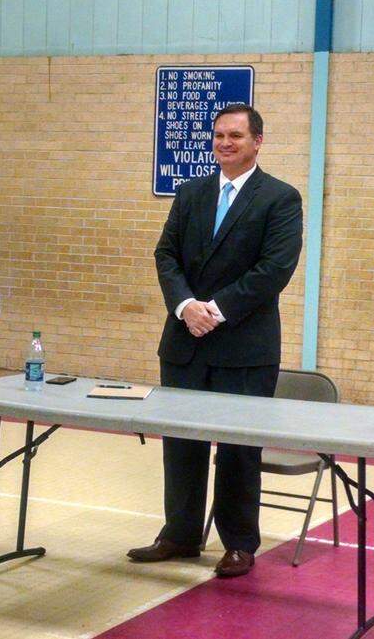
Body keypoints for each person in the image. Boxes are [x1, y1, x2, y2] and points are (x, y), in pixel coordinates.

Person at [130, 103, 303, 578]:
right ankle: (180, 534)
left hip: (244, 348)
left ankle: (239, 543)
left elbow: (274, 270)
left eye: (236, 136)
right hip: (185, 340)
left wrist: (217, 311)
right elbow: (166, 254)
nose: (225, 143)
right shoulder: (191, 194)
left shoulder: (280, 199)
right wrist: (186, 306)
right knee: (181, 443)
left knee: (238, 450)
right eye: (219, 135)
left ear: (258, 142)